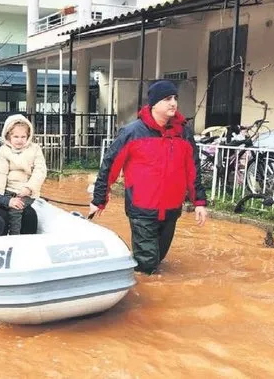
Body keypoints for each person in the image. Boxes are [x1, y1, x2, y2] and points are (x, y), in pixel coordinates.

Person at [89, 80, 208, 275]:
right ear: (154, 103)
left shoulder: (183, 133)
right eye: (167, 99)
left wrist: (200, 202)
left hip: (171, 210)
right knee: (147, 266)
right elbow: (110, 165)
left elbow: (193, 170)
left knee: (158, 258)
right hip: (142, 209)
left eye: (175, 98)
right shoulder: (132, 132)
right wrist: (99, 199)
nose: (173, 103)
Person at [0, 114, 47, 235]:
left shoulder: (35, 149)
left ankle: (15, 236)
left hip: (27, 191)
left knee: (15, 210)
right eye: (16, 136)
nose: (19, 140)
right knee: (4, 210)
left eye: (23, 137)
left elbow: (40, 170)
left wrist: (29, 188)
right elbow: (0, 174)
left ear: (28, 136)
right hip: (7, 191)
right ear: (8, 136)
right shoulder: (3, 151)